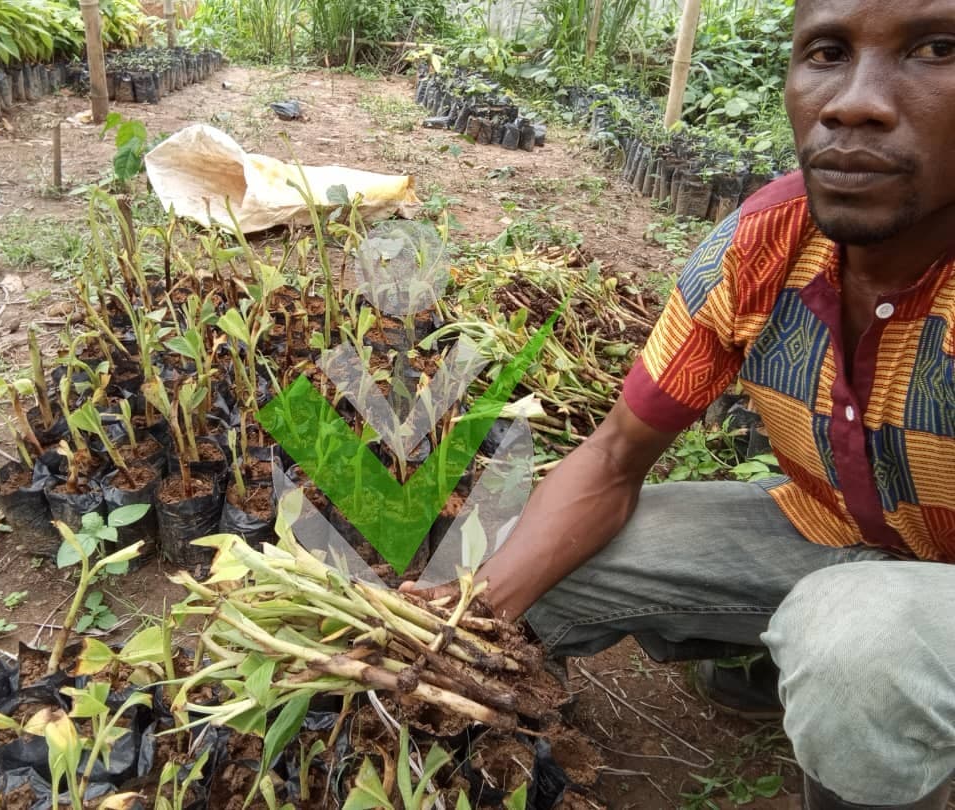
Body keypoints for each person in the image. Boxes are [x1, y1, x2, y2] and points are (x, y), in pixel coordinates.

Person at [408, 0, 955, 806]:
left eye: (936, 47)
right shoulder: (764, 242)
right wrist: (460, 619)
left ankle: (868, 719)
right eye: (828, 52)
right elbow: (612, 458)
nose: (854, 101)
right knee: (536, 554)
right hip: (837, 524)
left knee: (859, 642)